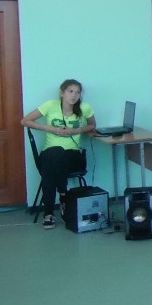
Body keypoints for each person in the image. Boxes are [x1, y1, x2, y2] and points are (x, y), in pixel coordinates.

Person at [21, 79, 97, 229]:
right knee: (55, 154)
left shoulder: (84, 108)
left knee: (51, 166)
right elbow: (25, 121)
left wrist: (75, 131)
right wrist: (51, 129)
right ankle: (63, 193)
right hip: (50, 155)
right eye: (70, 91)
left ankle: (49, 213)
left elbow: (92, 125)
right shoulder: (50, 105)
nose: (74, 95)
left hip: (73, 156)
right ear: (62, 93)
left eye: (77, 92)